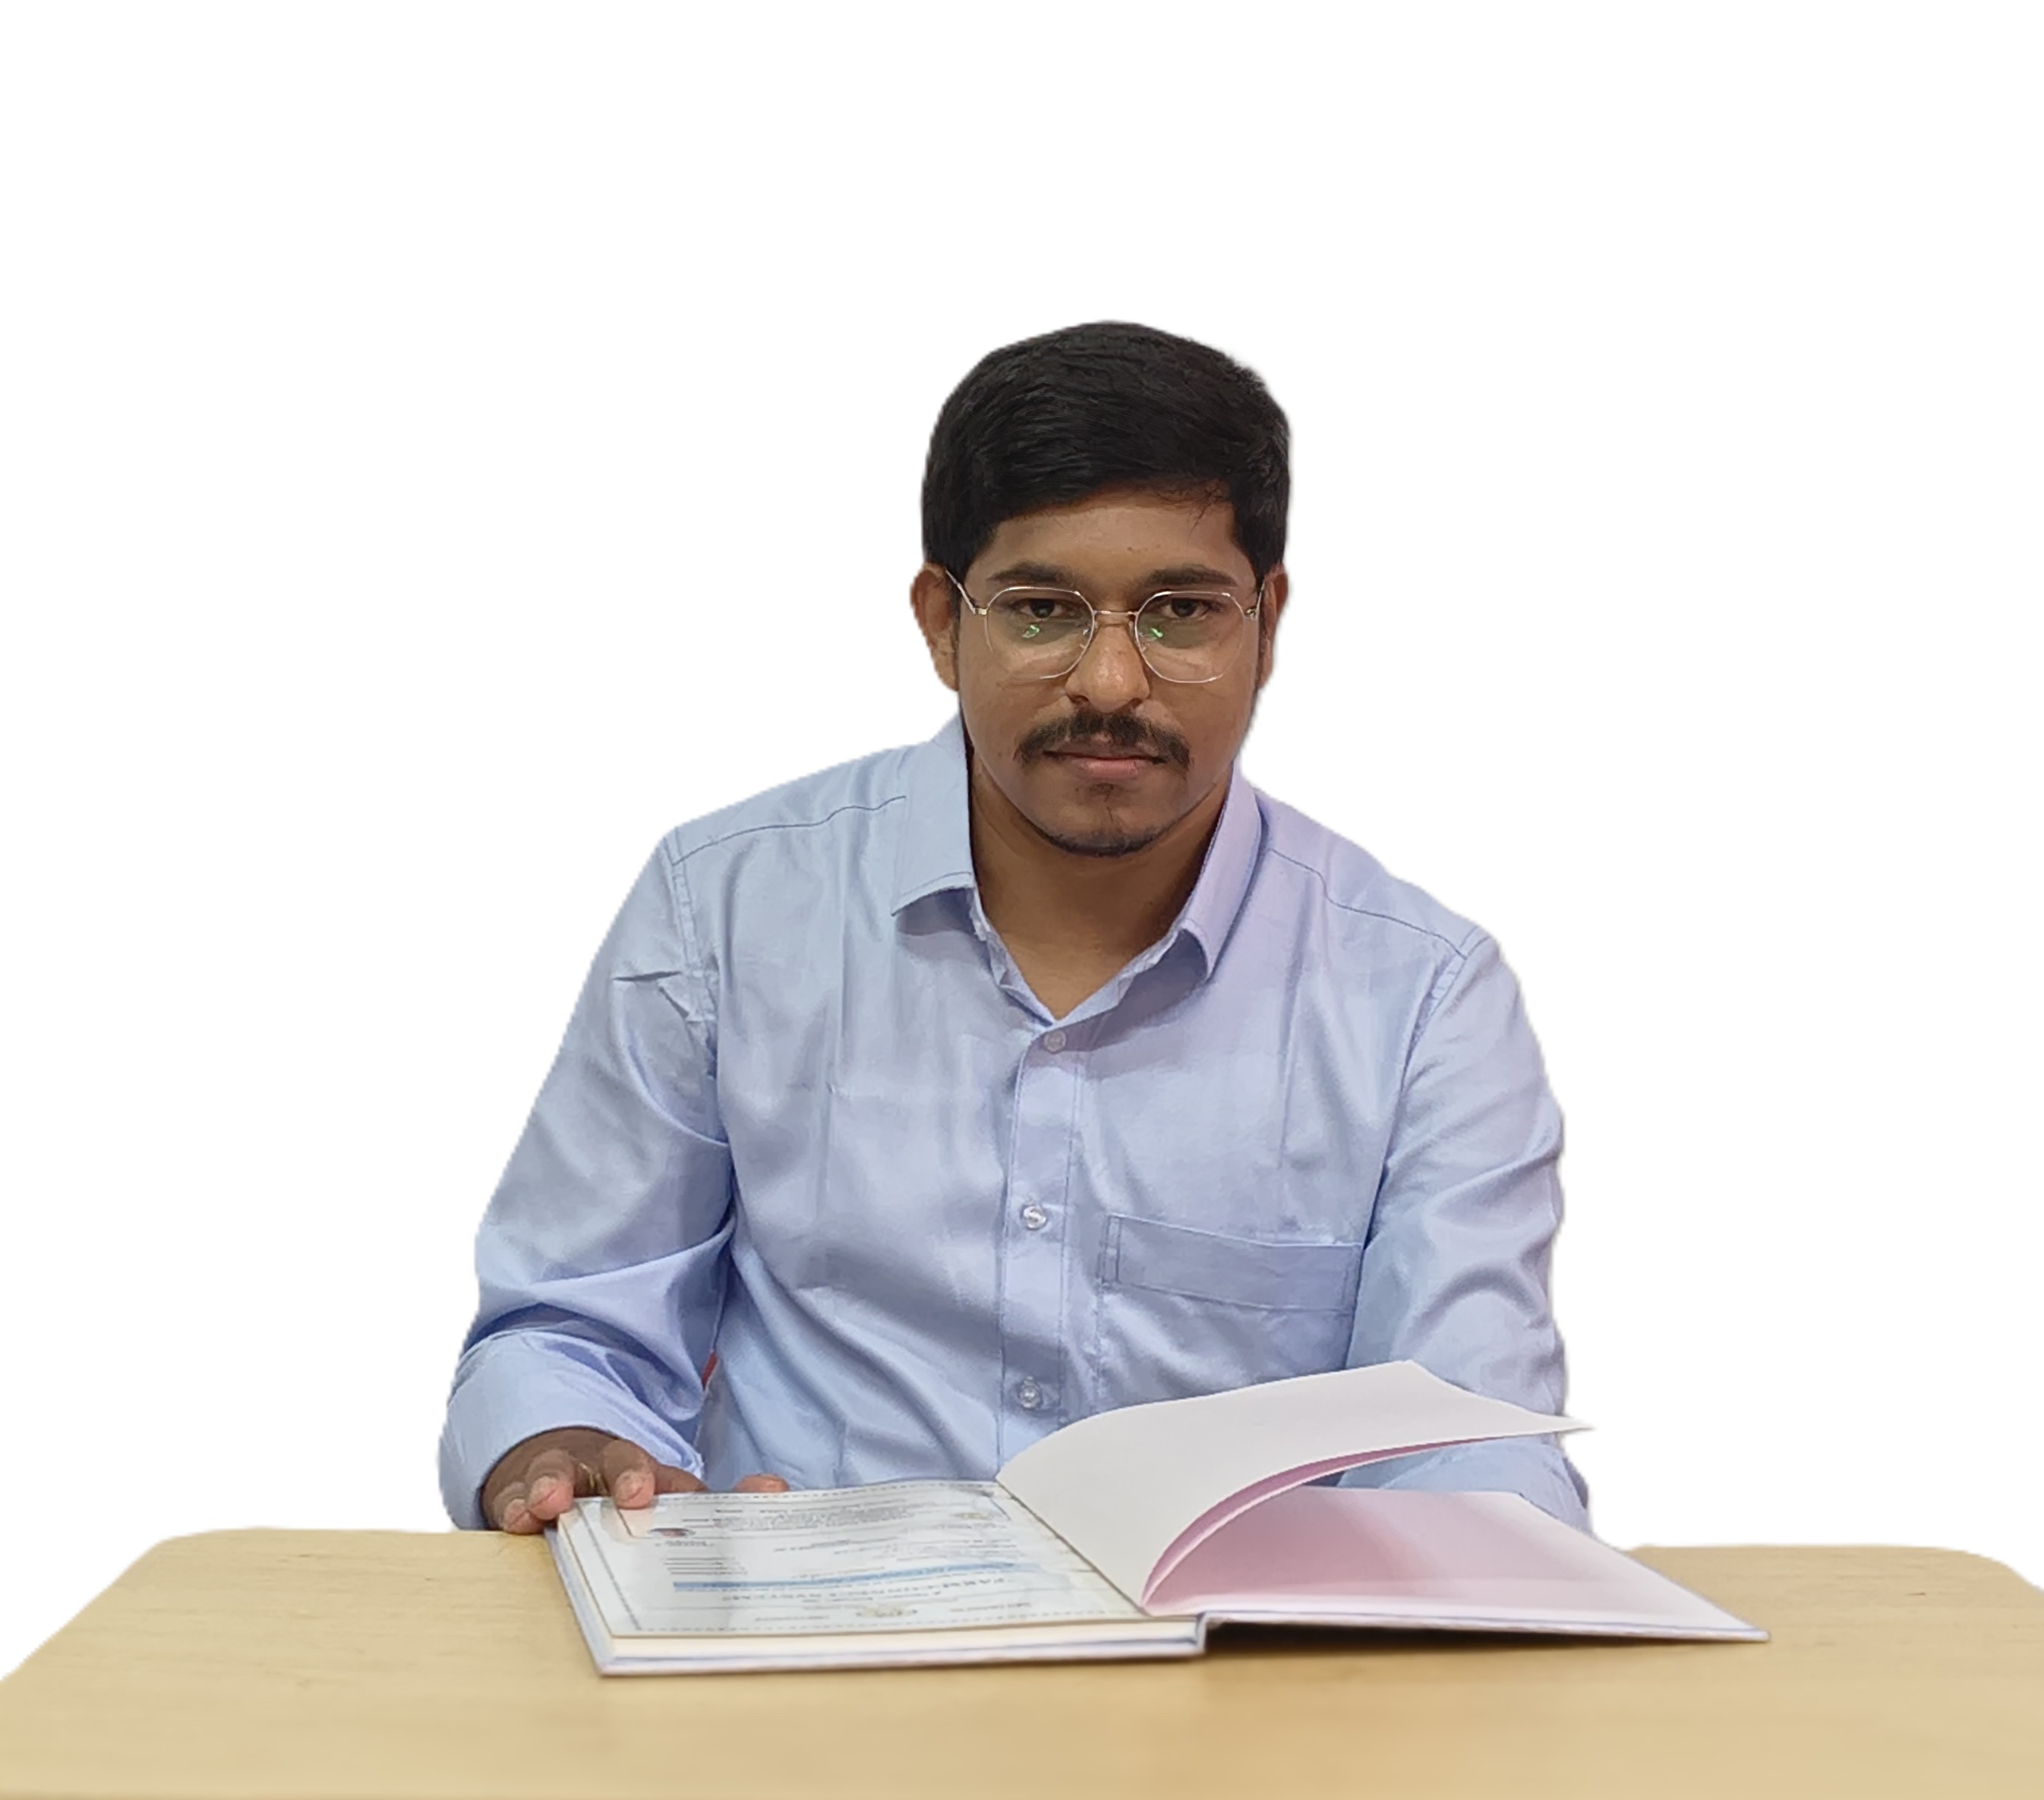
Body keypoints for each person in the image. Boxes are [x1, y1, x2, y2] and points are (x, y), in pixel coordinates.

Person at [439, 321, 1590, 1536]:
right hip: (806, 1638)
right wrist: (566, 1447)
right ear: (942, 622)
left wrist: (1477, 1571)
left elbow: (1465, 1435)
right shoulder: (726, 908)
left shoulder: (1421, 998)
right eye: (1042, 610)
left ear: (1267, 622)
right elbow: (570, 1326)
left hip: (1241, 1652)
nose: (1111, 683)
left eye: (1181, 612)